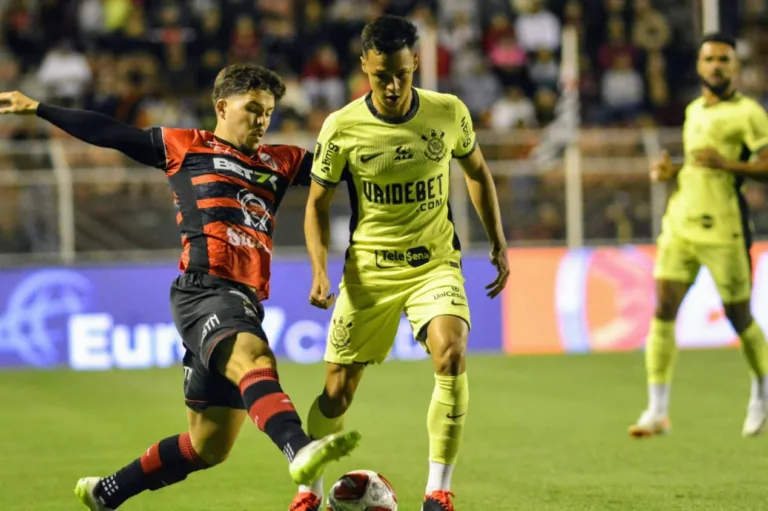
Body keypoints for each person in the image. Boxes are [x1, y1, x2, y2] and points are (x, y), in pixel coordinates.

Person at [0, 63, 361, 511]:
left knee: (209, 446)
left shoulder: (281, 160)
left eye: (268, 112)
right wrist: (38, 108)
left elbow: (349, 169)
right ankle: (299, 448)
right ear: (222, 106)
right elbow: (111, 132)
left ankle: (106, 492)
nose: (262, 120)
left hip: (242, 299)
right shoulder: (185, 146)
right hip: (203, 290)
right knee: (256, 357)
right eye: (253, 108)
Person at [298, 15, 509, 511]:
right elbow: (315, 203)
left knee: (451, 352)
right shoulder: (342, 126)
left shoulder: (447, 112)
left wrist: (497, 240)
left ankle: (438, 490)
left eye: (401, 74)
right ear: (363, 67)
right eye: (380, 76)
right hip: (369, 272)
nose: (392, 87)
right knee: (336, 394)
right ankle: (307, 491)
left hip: (433, 264)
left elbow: (477, 170)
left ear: (416, 62)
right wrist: (320, 270)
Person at [628, 33, 768, 439]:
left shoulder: (750, 115)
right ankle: (657, 409)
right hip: (680, 224)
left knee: (739, 317)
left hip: (725, 229)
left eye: (725, 59)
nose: (717, 66)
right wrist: (670, 173)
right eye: (710, 59)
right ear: (699, 66)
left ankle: (761, 391)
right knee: (663, 308)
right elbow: (697, 166)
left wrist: (726, 163)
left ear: (736, 66)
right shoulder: (692, 111)